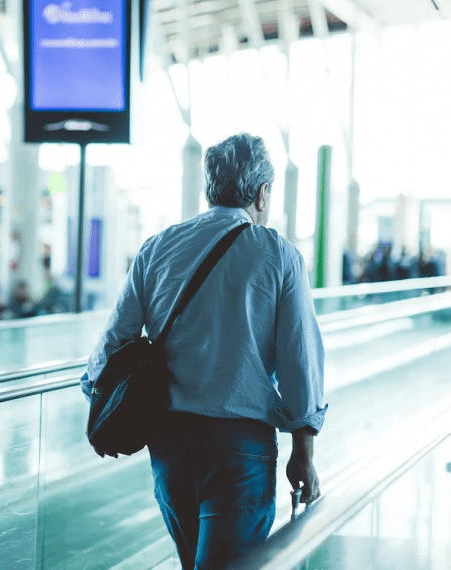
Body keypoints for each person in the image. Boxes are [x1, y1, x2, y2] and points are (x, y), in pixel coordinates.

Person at [81, 133, 327, 569]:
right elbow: (298, 361)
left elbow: (107, 353)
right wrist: (303, 455)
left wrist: (111, 403)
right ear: (262, 192)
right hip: (240, 446)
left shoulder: (158, 248)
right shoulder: (278, 255)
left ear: (210, 188)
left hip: (169, 444)